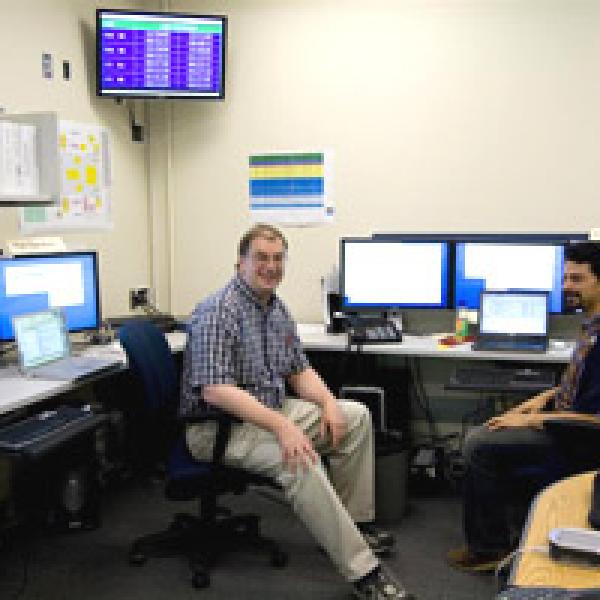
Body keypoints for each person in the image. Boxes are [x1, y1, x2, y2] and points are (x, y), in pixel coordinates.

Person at [180, 224, 416, 600]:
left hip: (269, 409)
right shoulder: (217, 311)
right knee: (299, 456)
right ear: (240, 263)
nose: (270, 267)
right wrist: (283, 428)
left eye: (277, 259)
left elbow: (298, 369)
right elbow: (216, 390)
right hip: (219, 427)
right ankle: (363, 572)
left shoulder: (274, 307)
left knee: (354, 417)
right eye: (261, 258)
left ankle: (350, 527)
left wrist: (327, 405)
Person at [448, 241, 600, 572]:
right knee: (498, 424)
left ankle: (489, 549)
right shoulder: (592, 325)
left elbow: (594, 417)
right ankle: (509, 527)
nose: (566, 287)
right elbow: (579, 384)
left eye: (577, 280)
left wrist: (533, 421)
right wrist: (539, 400)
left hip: (582, 436)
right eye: (565, 279)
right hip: (564, 419)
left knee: (480, 443)